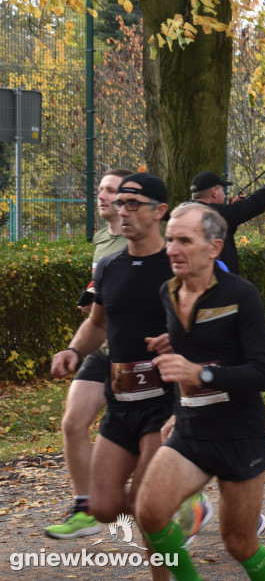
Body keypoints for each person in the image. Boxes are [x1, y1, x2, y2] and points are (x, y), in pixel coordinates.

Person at [134, 203, 265, 581]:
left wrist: (201, 374)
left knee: (239, 543)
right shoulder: (168, 291)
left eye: (184, 240)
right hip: (191, 429)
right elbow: (193, 351)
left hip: (239, 434)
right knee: (148, 512)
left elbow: (264, 374)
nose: (171, 249)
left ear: (214, 248)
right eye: (169, 240)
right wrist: (177, 411)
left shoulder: (241, 295)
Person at [49, 172, 174, 579]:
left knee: (146, 505)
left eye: (133, 203)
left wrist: (182, 343)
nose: (123, 211)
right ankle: (175, 504)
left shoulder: (178, 265)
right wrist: (73, 349)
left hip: (164, 402)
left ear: (159, 211)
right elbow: (98, 325)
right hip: (121, 402)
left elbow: (211, 327)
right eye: (120, 203)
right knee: (102, 506)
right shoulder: (108, 267)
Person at [46, 168, 133, 540]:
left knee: (142, 444)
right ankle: (85, 508)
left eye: (110, 190)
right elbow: (103, 285)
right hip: (104, 346)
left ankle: (187, 502)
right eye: (100, 189)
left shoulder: (139, 241)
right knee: (72, 422)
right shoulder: (102, 238)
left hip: (134, 354)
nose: (101, 195)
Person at [189, 155, 265, 273]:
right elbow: (256, 204)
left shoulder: (189, 212)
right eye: (222, 191)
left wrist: (233, 215)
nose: (225, 195)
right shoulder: (212, 214)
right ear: (214, 192)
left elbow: (221, 236)